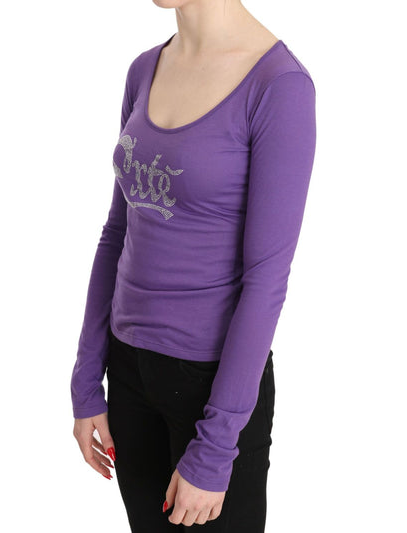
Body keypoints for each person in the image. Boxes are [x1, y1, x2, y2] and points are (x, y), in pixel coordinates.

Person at [71, 0, 316, 531]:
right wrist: (87, 379)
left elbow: (266, 280)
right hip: (128, 370)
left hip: (213, 388)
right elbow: (117, 232)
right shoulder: (144, 69)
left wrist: (217, 444)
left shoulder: (279, 86)